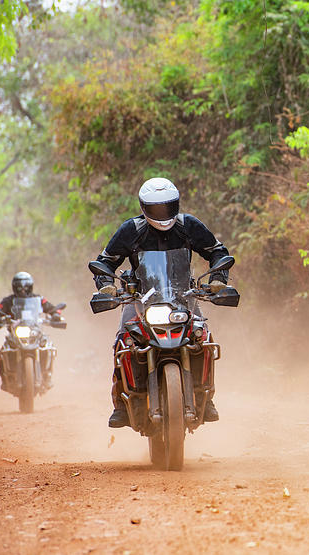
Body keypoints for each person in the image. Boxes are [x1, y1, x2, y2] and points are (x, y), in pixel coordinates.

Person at [93, 177, 230, 428]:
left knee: (203, 337)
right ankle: (121, 405)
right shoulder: (131, 230)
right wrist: (106, 286)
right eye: (156, 209)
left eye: (167, 207)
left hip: (183, 297)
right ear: (144, 208)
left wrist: (219, 279)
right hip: (139, 299)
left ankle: (206, 397)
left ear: (176, 204)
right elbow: (105, 262)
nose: (162, 214)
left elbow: (217, 251)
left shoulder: (188, 225)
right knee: (123, 342)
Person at [0, 272, 64, 390]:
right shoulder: (8, 301)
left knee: (49, 347)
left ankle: (47, 376)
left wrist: (55, 314)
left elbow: (51, 308)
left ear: (30, 286)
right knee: (3, 352)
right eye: (19, 287)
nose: (23, 290)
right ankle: (5, 380)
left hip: (35, 331)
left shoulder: (39, 299)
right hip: (15, 334)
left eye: (26, 287)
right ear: (15, 287)